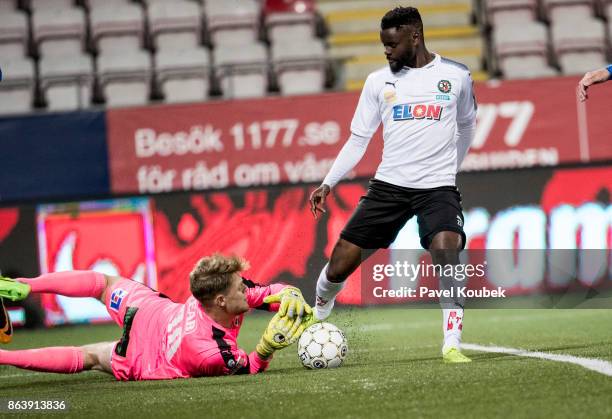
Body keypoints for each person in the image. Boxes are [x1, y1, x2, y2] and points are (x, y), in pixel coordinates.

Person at [309, 7, 477, 363]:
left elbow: (466, 126)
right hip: (389, 187)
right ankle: (319, 312)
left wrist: (450, 169)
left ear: (414, 36)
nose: (386, 51)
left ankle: (452, 342)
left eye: (391, 44)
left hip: (437, 188)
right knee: (339, 264)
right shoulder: (377, 82)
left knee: (447, 251)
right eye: (383, 44)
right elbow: (358, 140)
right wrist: (328, 182)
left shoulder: (457, 76)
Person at [0, 254, 314, 380]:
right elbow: (249, 368)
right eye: (240, 289)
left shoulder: (224, 296)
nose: (247, 291)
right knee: (91, 356)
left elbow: (270, 291)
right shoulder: (210, 352)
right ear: (220, 300)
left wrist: (290, 293)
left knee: (103, 283)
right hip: (145, 356)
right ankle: (3, 356)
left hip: (149, 311)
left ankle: (27, 285)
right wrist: (266, 348)